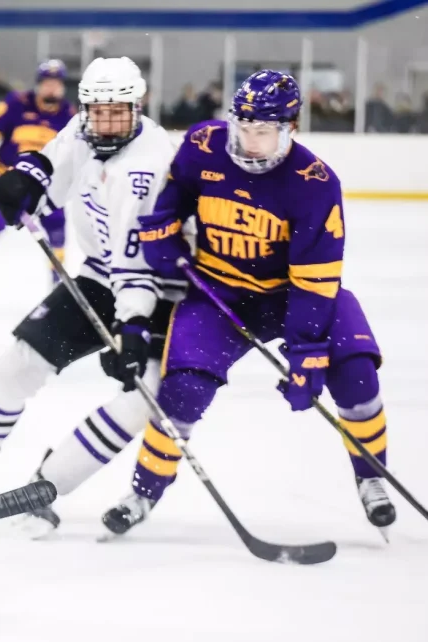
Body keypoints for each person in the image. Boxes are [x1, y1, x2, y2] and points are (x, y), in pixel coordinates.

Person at [109, 69, 394, 536]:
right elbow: (173, 198)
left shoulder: (313, 182)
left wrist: (306, 352)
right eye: (243, 127)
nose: (250, 141)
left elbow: (316, 280)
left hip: (292, 295)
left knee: (355, 370)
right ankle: (142, 491)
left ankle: (372, 479)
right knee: (182, 390)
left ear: (289, 128)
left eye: (263, 131)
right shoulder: (204, 144)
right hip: (216, 292)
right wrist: (162, 237)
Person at [0, 57, 184, 537]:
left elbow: (134, 267)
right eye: (96, 112)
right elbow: (50, 165)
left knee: (142, 393)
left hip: (159, 290)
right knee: (19, 362)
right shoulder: (84, 128)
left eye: (116, 113)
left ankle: (48, 485)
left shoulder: (147, 166)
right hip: (102, 275)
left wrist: (133, 328)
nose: (104, 123)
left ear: (137, 108)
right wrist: (22, 181)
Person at [0, 59, 77, 305]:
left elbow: (76, 153)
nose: (51, 88)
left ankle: (59, 288)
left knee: (57, 233)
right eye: (47, 83)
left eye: (56, 83)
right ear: (39, 85)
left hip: (47, 188)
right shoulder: (16, 104)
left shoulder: (70, 116)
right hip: (7, 184)